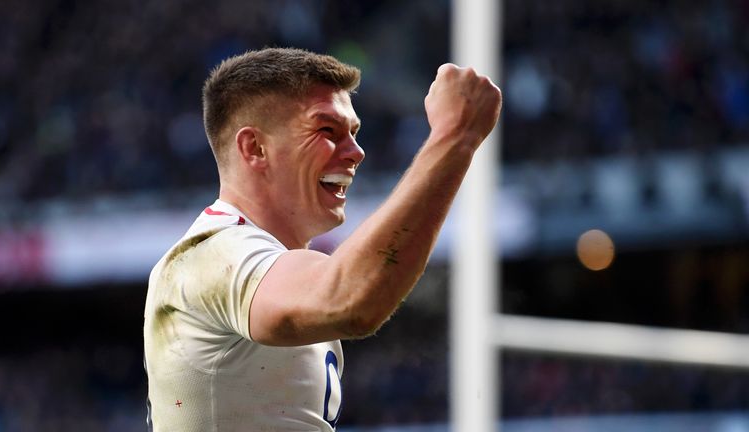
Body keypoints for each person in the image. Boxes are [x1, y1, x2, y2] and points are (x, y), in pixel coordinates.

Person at [143, 47, 502, 431]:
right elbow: (348, 300)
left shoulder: (271, 266)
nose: (356, 152)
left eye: (354, 133)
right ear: (255, 148)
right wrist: (453, 138)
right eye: (327, 130)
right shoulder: (212, 254)